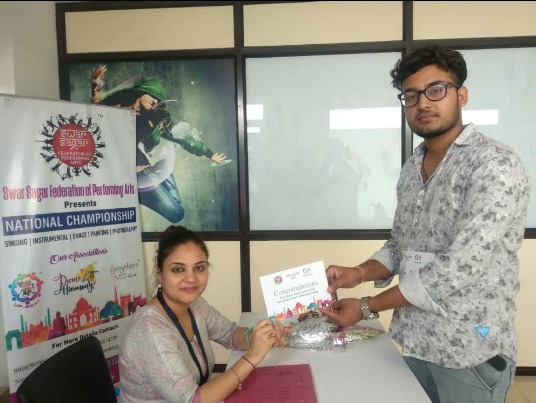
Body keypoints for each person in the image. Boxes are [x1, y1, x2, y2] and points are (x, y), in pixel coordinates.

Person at [319, 44, 531, 403]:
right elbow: (401, 245)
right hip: (416, 341)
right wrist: (358, 272)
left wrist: (366, 307)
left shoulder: (494, 164)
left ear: (461, 95)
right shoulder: (411, 168)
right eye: (411, 95)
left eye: (436, 90)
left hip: (469, 350)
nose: (423, 103)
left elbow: (460, 266)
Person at [118, 225, 277, 403]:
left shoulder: (195, 305)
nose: (191, 278)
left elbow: (230, 335)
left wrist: (260, 335)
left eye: (199, 268)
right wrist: (253, 356)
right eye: (178, 269)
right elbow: (192, 400)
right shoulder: (150, 330)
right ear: (160, 274)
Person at [90, 66, 227, 223]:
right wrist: (94, 85)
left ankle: (157, 177)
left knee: (177, 214)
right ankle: (159, 176)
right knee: (177, 213)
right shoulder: (116, 111)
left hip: (142, 175)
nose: (155, 102)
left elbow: (182, 137)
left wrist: (209, 154)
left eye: (158, 102)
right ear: (141, 92)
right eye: (153, 97)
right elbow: (96, 109)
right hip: (127, 178)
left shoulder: (155, 121)